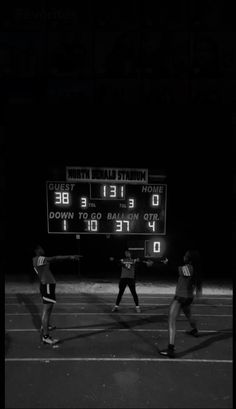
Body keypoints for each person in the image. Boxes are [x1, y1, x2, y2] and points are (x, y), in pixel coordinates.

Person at [32, 244, 82, 345]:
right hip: (47, 286)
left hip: (47, 286)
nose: (43, 249)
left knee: (48, 309)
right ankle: (46, 336)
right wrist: (70, 256)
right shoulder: (38, 258)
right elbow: (55, 258)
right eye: (41, 248)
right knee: (46, 311)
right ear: (37, 250)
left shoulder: (38, 259)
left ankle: (46, 326)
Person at [159, 249, 203, 358]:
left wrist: (167, 263)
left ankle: (171, 349)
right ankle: (195, 330)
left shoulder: (189, 268)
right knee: (189, 315)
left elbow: (175, 269)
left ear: (190, 259)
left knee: (171, 320)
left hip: (181, 297)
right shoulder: (195, 269)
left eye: (186, 255)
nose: (184, 256)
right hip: (188, 297)